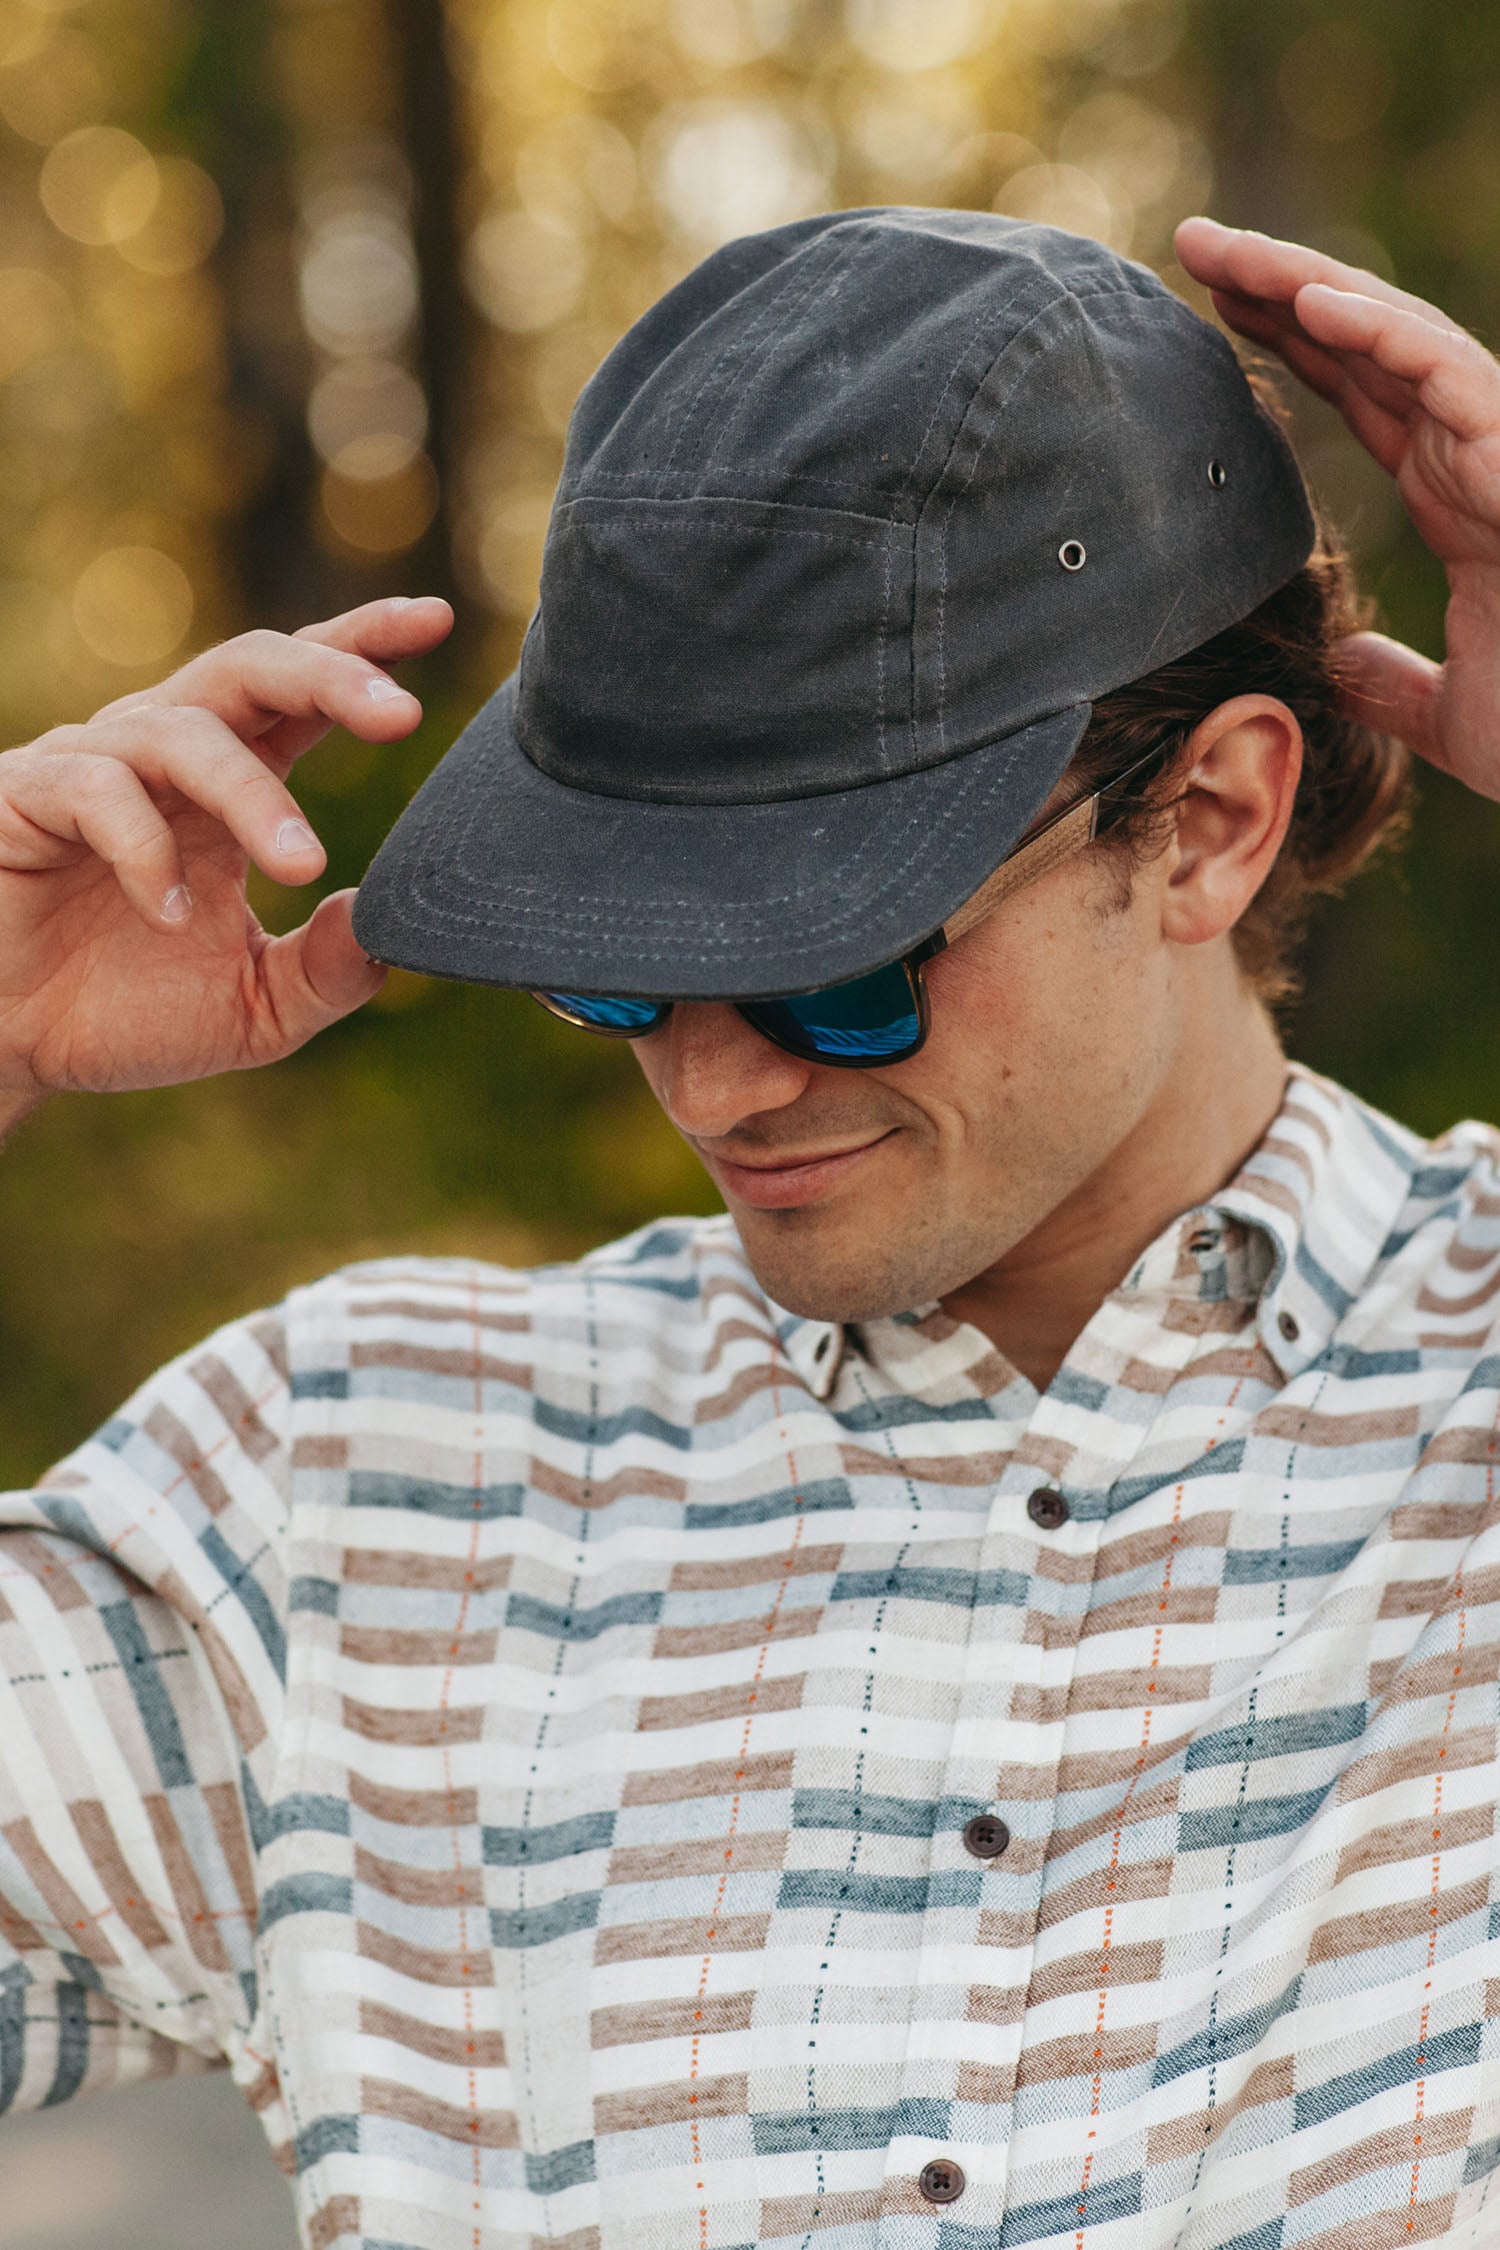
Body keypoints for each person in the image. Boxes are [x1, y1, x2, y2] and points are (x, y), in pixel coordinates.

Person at [1, 206, 1497, 2250]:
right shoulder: (344, 1489)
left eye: (839, 965)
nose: (710, 1091)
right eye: (617, 969)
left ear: (1213, 821)